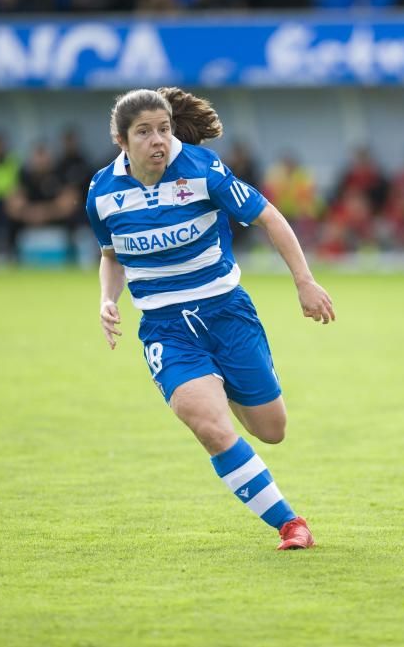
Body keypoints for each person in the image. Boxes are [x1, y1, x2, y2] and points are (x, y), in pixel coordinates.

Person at [85, 88, 335, 550]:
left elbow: (270, 218)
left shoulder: (202, 169)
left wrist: (304, 281)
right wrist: (107, 299)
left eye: (164, 129)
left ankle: (225, 387)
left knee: (270, 430)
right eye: (144, 133)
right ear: (121, 140)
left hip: (226, 312)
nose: (158, 140)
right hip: (165, 328)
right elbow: (110, 255)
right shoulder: (102, 193)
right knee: (210, 426)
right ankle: (289, 523)